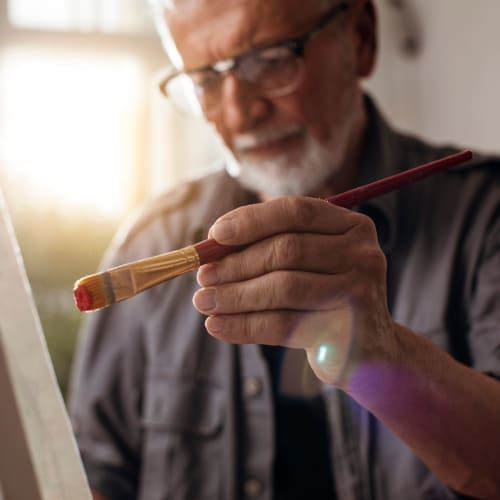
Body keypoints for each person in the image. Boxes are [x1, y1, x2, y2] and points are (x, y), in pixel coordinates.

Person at [69, 0, 500, 499]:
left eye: (270, 60)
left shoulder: (484, 216)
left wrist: (385, 354)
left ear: (361, 39)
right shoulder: (150, 240)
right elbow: (91, 474)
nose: (239, 112)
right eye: (206, 80)